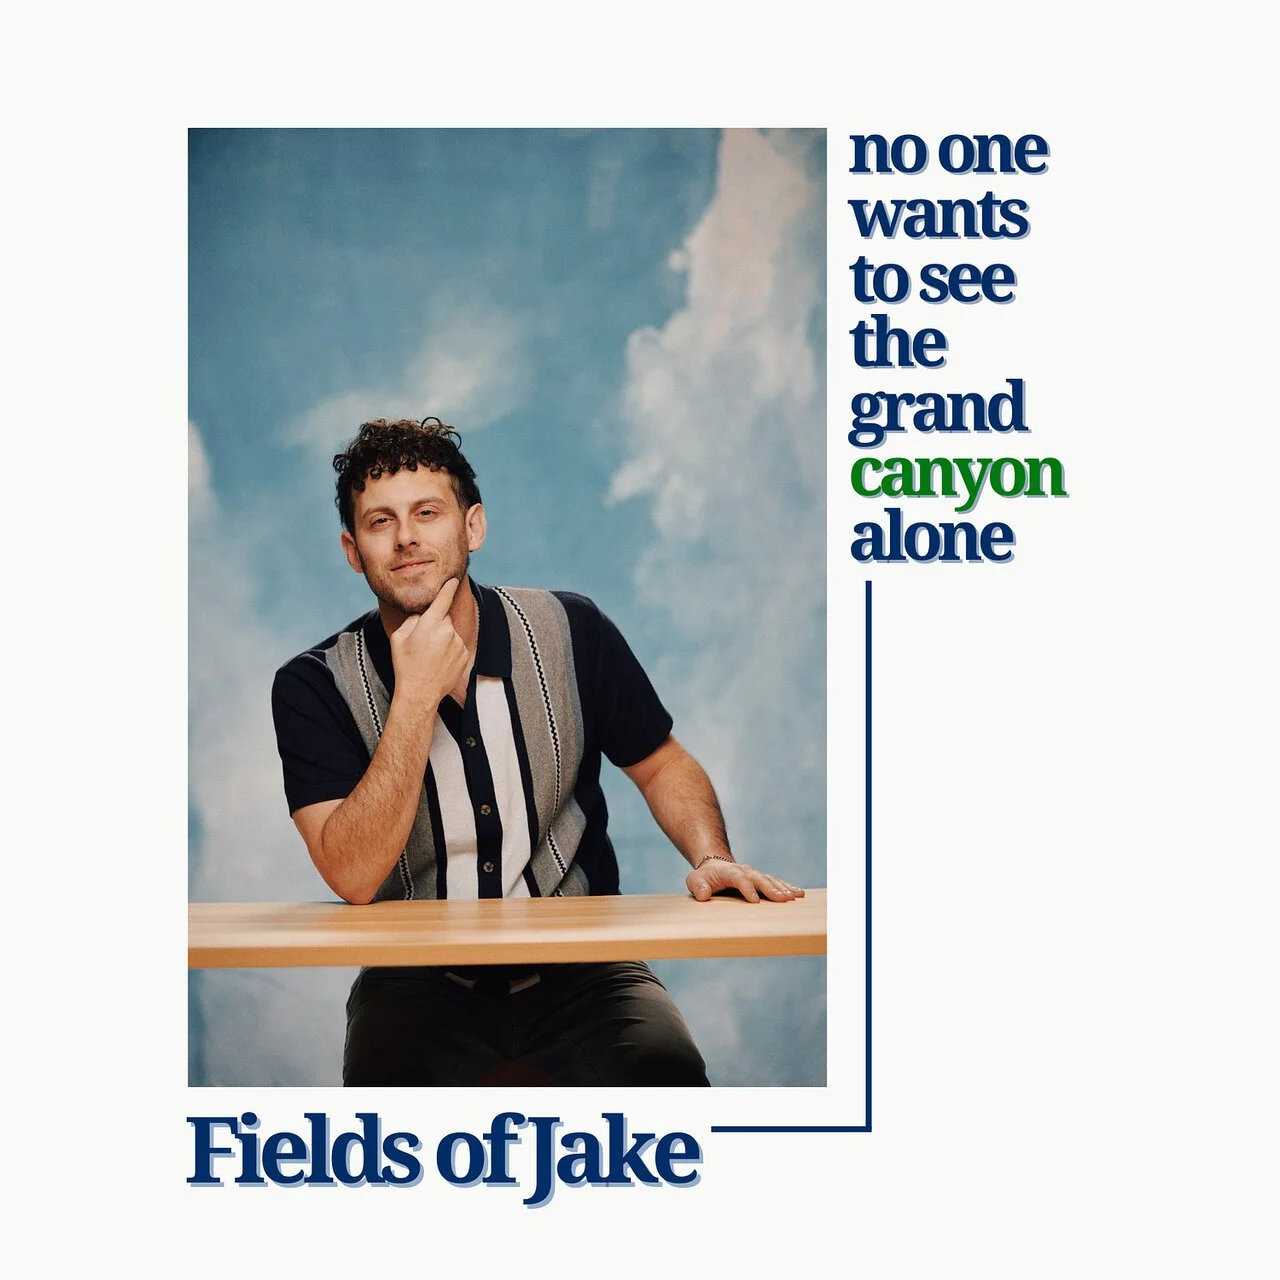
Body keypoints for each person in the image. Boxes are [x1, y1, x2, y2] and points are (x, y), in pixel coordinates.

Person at [271, 416, 804, 1086]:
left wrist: (711, 855)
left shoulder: (571, 628)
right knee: (391, 1119)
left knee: (667, 1084)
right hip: (414, 982)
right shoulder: (312, 685)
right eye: (380, 522)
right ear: (353, 550)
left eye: (427, 513)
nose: (406, 537)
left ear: (473, 528)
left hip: (589, 969)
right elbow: (351, 875)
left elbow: (662, 762)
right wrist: (412, 701)